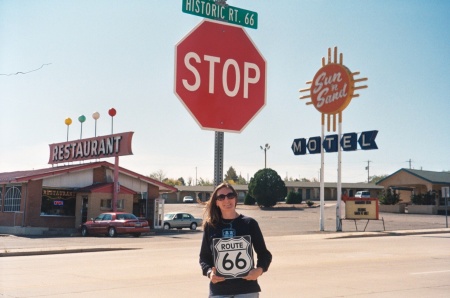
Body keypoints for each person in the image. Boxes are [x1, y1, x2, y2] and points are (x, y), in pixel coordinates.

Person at [199, 182, 272, 298]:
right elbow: (204, 258)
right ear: (216, 202)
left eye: (230, 195)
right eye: (221, 197)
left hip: (247, 290)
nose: (226, 200)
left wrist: (259, 270)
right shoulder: (210, 226)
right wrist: (209, 273)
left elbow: (264, 254)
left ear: (235, 198)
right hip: (219, 290)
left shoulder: (249, 224)